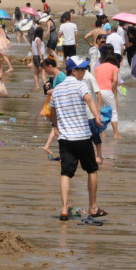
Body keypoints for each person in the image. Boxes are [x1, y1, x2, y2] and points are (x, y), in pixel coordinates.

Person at [50, 57, 105, 221]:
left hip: (65, 138)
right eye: (82, 69)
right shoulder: (80, 85)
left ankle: (64, 209)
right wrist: (96, 116)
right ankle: (93, 207)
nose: (84, 72)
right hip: (82, 136)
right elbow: (89, 99)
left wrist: (55, 126)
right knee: (92, 170)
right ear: (74, 71)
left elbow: (52, 111)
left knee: (66, 173)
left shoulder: (57, 89)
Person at [95, 52, 121, 139]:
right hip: (107, 91)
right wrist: (113, 90)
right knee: (113, 111)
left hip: (98, 91)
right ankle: (116, 134)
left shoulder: (98, 67)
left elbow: (94, 79)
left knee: (101, 111)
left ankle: (103, 134)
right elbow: (115, 80)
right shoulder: (114, 67)